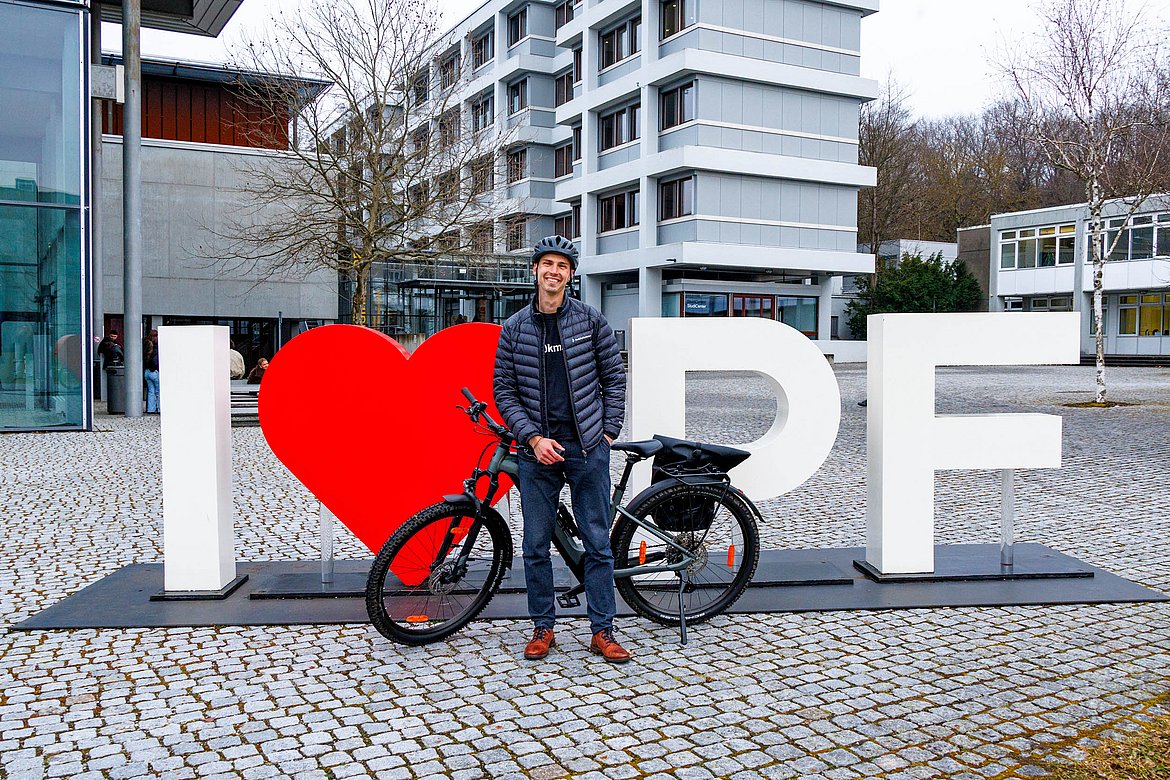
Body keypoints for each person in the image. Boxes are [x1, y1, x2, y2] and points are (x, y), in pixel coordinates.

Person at [493, 235, 630, 664]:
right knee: (535, 543)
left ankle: (602, 631)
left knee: (596, 542)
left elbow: (614, 377)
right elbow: (504, 390)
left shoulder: (591, 321)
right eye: (547, 263)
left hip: (587, 446)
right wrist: (532, 437)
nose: (554, 271)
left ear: (571, 275)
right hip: (538, 451)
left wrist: (606, 431)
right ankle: (542, 627)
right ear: (534, 270)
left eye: (562, 266)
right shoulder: (515, 327)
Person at [143, 337, 160, 414]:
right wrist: (155, 369)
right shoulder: (156, 349)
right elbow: (155, 362)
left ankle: (151, 409)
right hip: (154, 372)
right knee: (159, 391)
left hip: (147, 372)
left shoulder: (146, 348)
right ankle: (160, 408)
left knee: (151, 391)